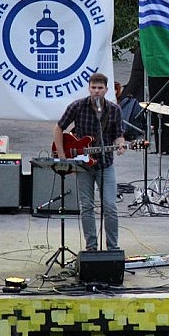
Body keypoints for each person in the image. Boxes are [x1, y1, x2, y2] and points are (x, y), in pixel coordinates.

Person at [53, 72, 126, 251]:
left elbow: (118, 136)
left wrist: (121, 145)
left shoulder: (114, 110)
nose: (96, 91)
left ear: (106, 90)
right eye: (93, 88)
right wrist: (63, 155)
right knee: (86, 206)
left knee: (110, 206)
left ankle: (112, 248)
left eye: (100, 88)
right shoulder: (78, 106)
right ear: (89, 88)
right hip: (82, 165)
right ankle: (91, 247)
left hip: (105, 164)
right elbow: (58, 128)